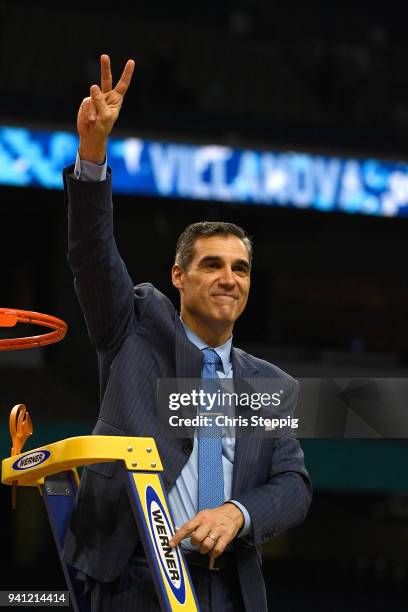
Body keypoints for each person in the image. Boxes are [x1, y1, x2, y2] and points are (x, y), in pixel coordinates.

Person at [62, 54, 312, 612]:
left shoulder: (271, 387)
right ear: (179, 276)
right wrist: (93, 154)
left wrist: (238, 513)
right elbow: (92, 254)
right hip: (130, 579)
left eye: (240, 268)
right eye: (212, 265)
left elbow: (294, 486)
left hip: (227, 588)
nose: (228, 278)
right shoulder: (134, 325)